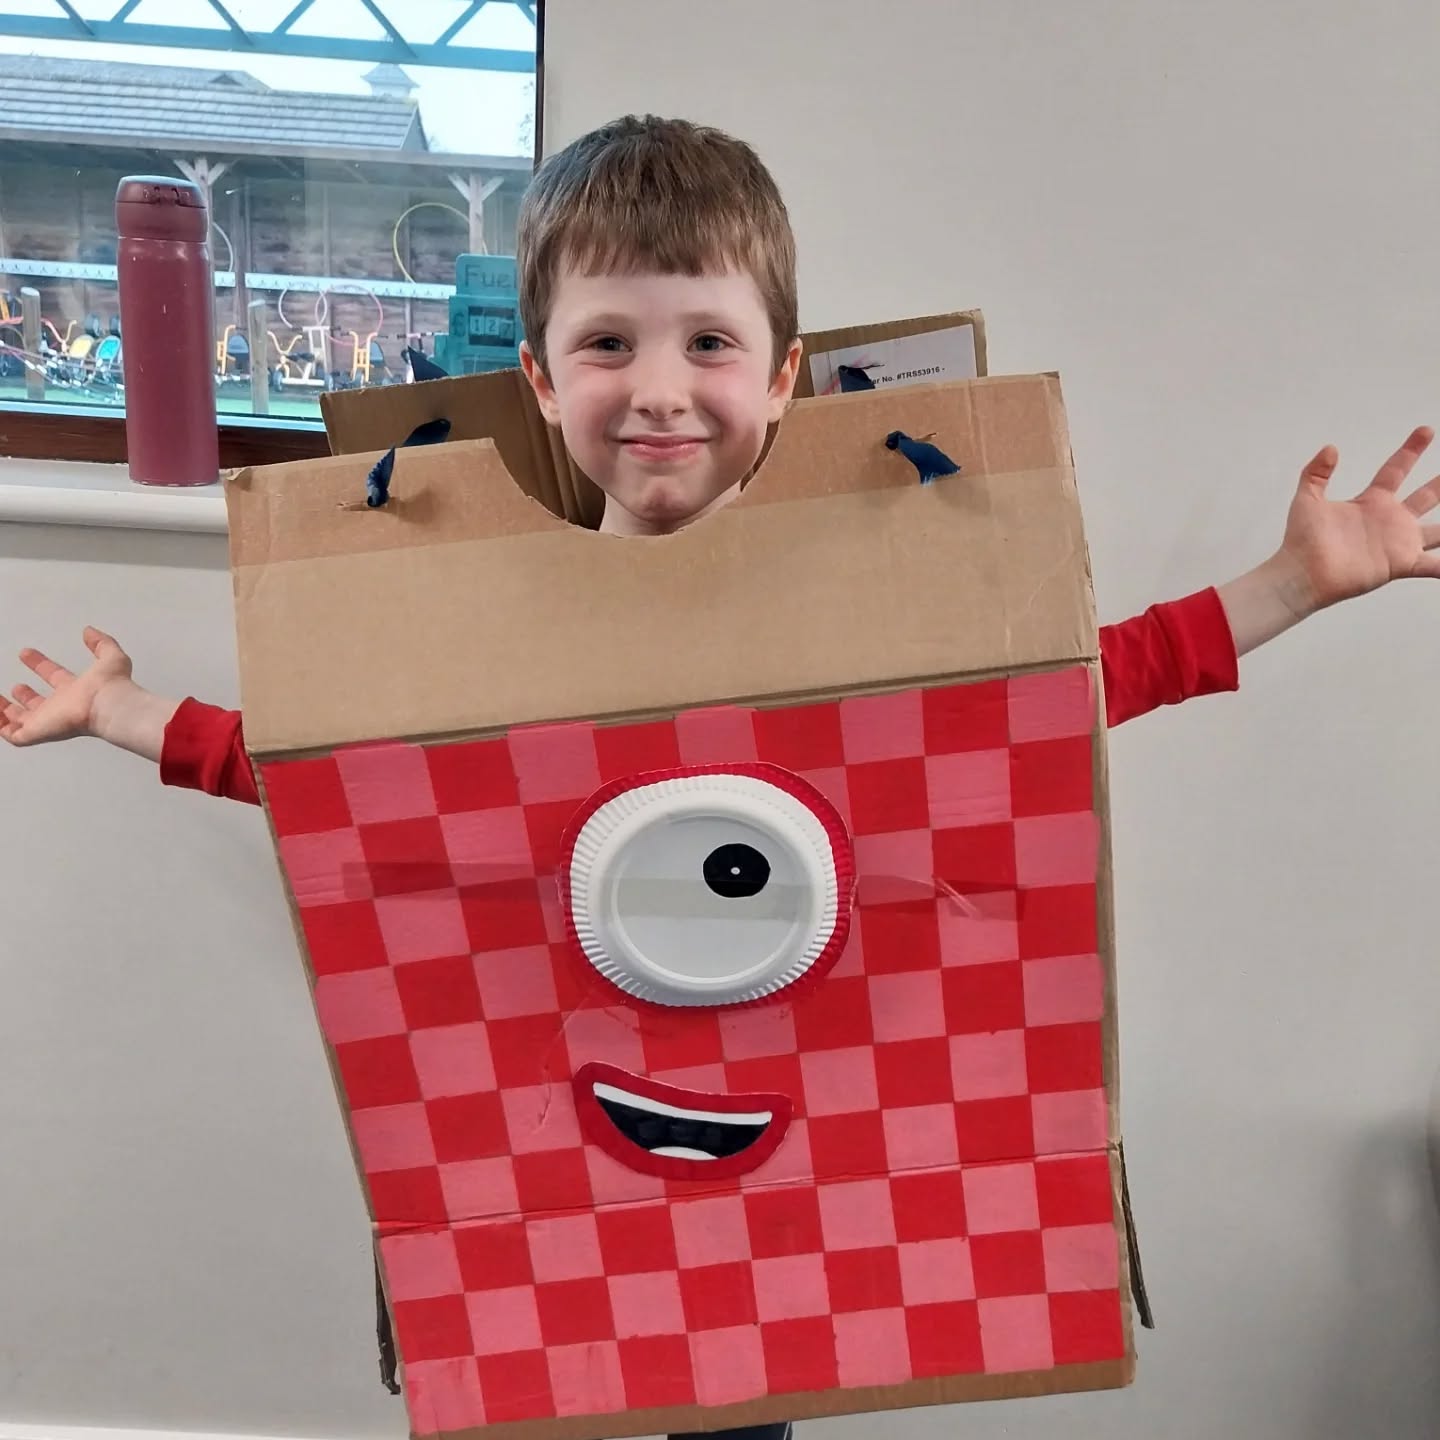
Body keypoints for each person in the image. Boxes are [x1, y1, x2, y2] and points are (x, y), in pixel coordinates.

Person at [4, 116, 1439, 1440]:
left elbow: (1073, 688)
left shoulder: (877, 608)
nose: (660, 390)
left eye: (709, 342)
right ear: (540, 378)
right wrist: (121, 710)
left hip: (795, 1144)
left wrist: (1296, 582)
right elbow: (322, 774)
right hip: (571, 1141)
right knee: (561, 1384)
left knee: (744, 1399)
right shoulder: (476, 634)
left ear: (786, 375)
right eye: (608, 343)